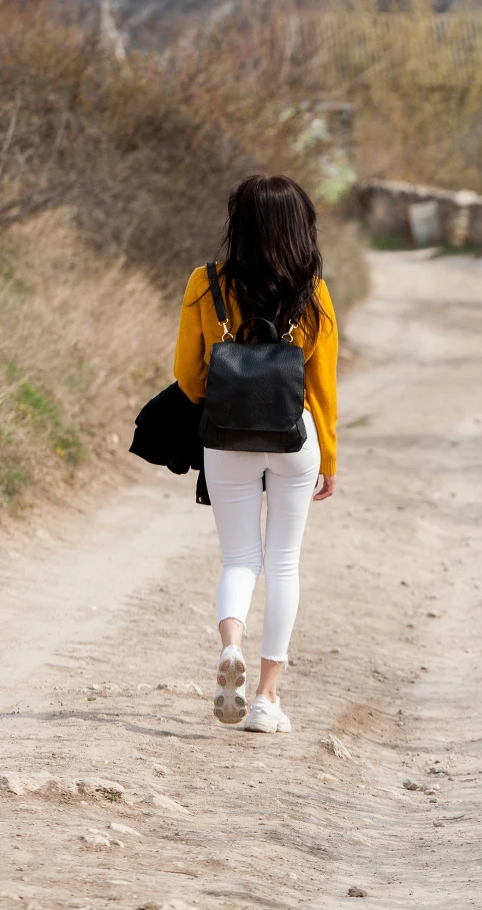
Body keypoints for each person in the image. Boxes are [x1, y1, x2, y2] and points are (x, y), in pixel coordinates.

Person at [172, 175, 338, 733]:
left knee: (239, 558)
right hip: (295, 437)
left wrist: (225, 394)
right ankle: (267, 700)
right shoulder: (312, 292)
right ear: (299, 226)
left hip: (226, 437)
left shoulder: (205, 282)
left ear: (237, 223)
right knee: (284, 562)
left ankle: (230, 645)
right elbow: (323, 385)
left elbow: (188, 376)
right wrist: (330, 454)